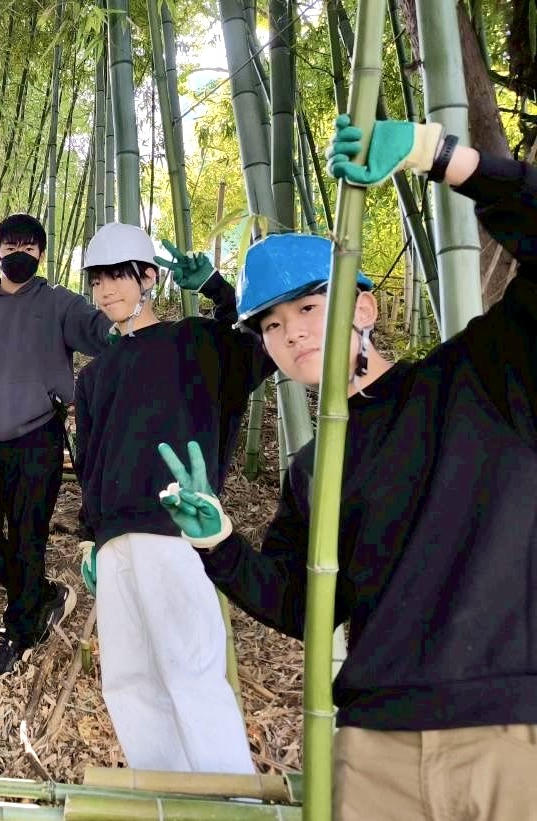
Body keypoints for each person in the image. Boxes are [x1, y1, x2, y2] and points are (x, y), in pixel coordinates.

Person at [156, 115, 537, 818]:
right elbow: (302, 607)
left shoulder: (479, 379)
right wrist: (219, 544)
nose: (292, 331)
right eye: (271, 324)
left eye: (308, 305)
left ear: (363, 305)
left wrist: (435, 154)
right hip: (372, 746)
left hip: (506, 730)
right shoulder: (311, 468)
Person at [74, 221, 272, 773]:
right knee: (128, 681)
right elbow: (90, 462)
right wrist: (90, 540)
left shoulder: (196, 342)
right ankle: (166, 798)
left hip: (176, 526)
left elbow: (264, 341)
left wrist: (217, 289)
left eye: (117, 275)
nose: (106, 290)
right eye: (97, 280)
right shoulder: (94, 377)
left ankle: (230, 799)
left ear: (148, 277)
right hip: (114, 541)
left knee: (191, 670)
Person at [0, 213, 113, 681]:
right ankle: (40, 593)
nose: (19, 254)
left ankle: (19, 633)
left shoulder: (59, 302)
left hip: (37, 434)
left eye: (29, 247)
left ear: (41, 254)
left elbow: (103, 334)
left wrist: (128, 311)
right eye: (11, 246)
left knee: (28, 537)